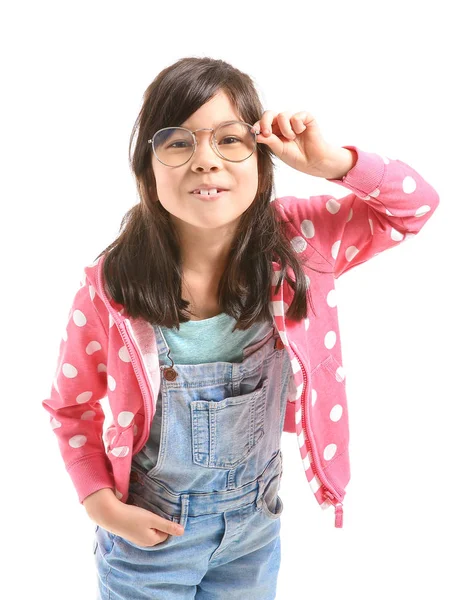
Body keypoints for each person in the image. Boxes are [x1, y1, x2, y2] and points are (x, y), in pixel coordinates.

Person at [42, 56, 440, 599]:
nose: (206, 160)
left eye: (229, 140)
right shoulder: (111, 286)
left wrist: (332, 163)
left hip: (254, 533)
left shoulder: (300, 243)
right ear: (147, 169)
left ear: (262, 160)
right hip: (151, 538)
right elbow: (71, 405)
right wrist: (100, 504)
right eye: (178, 142)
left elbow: (415, 207)